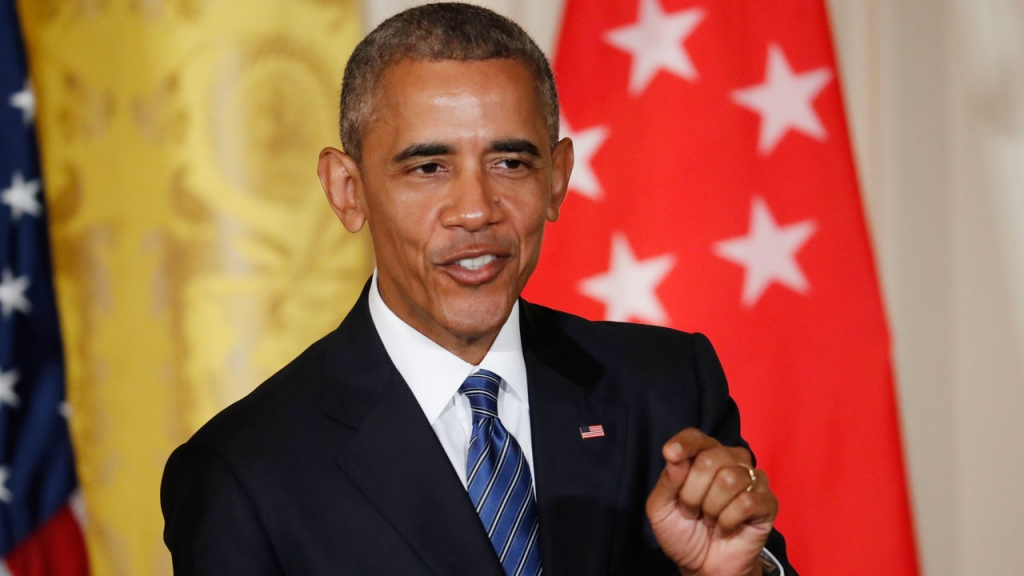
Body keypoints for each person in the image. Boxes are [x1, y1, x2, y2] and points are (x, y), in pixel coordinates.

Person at [161, 4, 795, 575]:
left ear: (557, 179)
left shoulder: (667, 387)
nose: (475, 209)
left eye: (510, 163)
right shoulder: (243, 474)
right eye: (428, 167)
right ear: (346, 189)